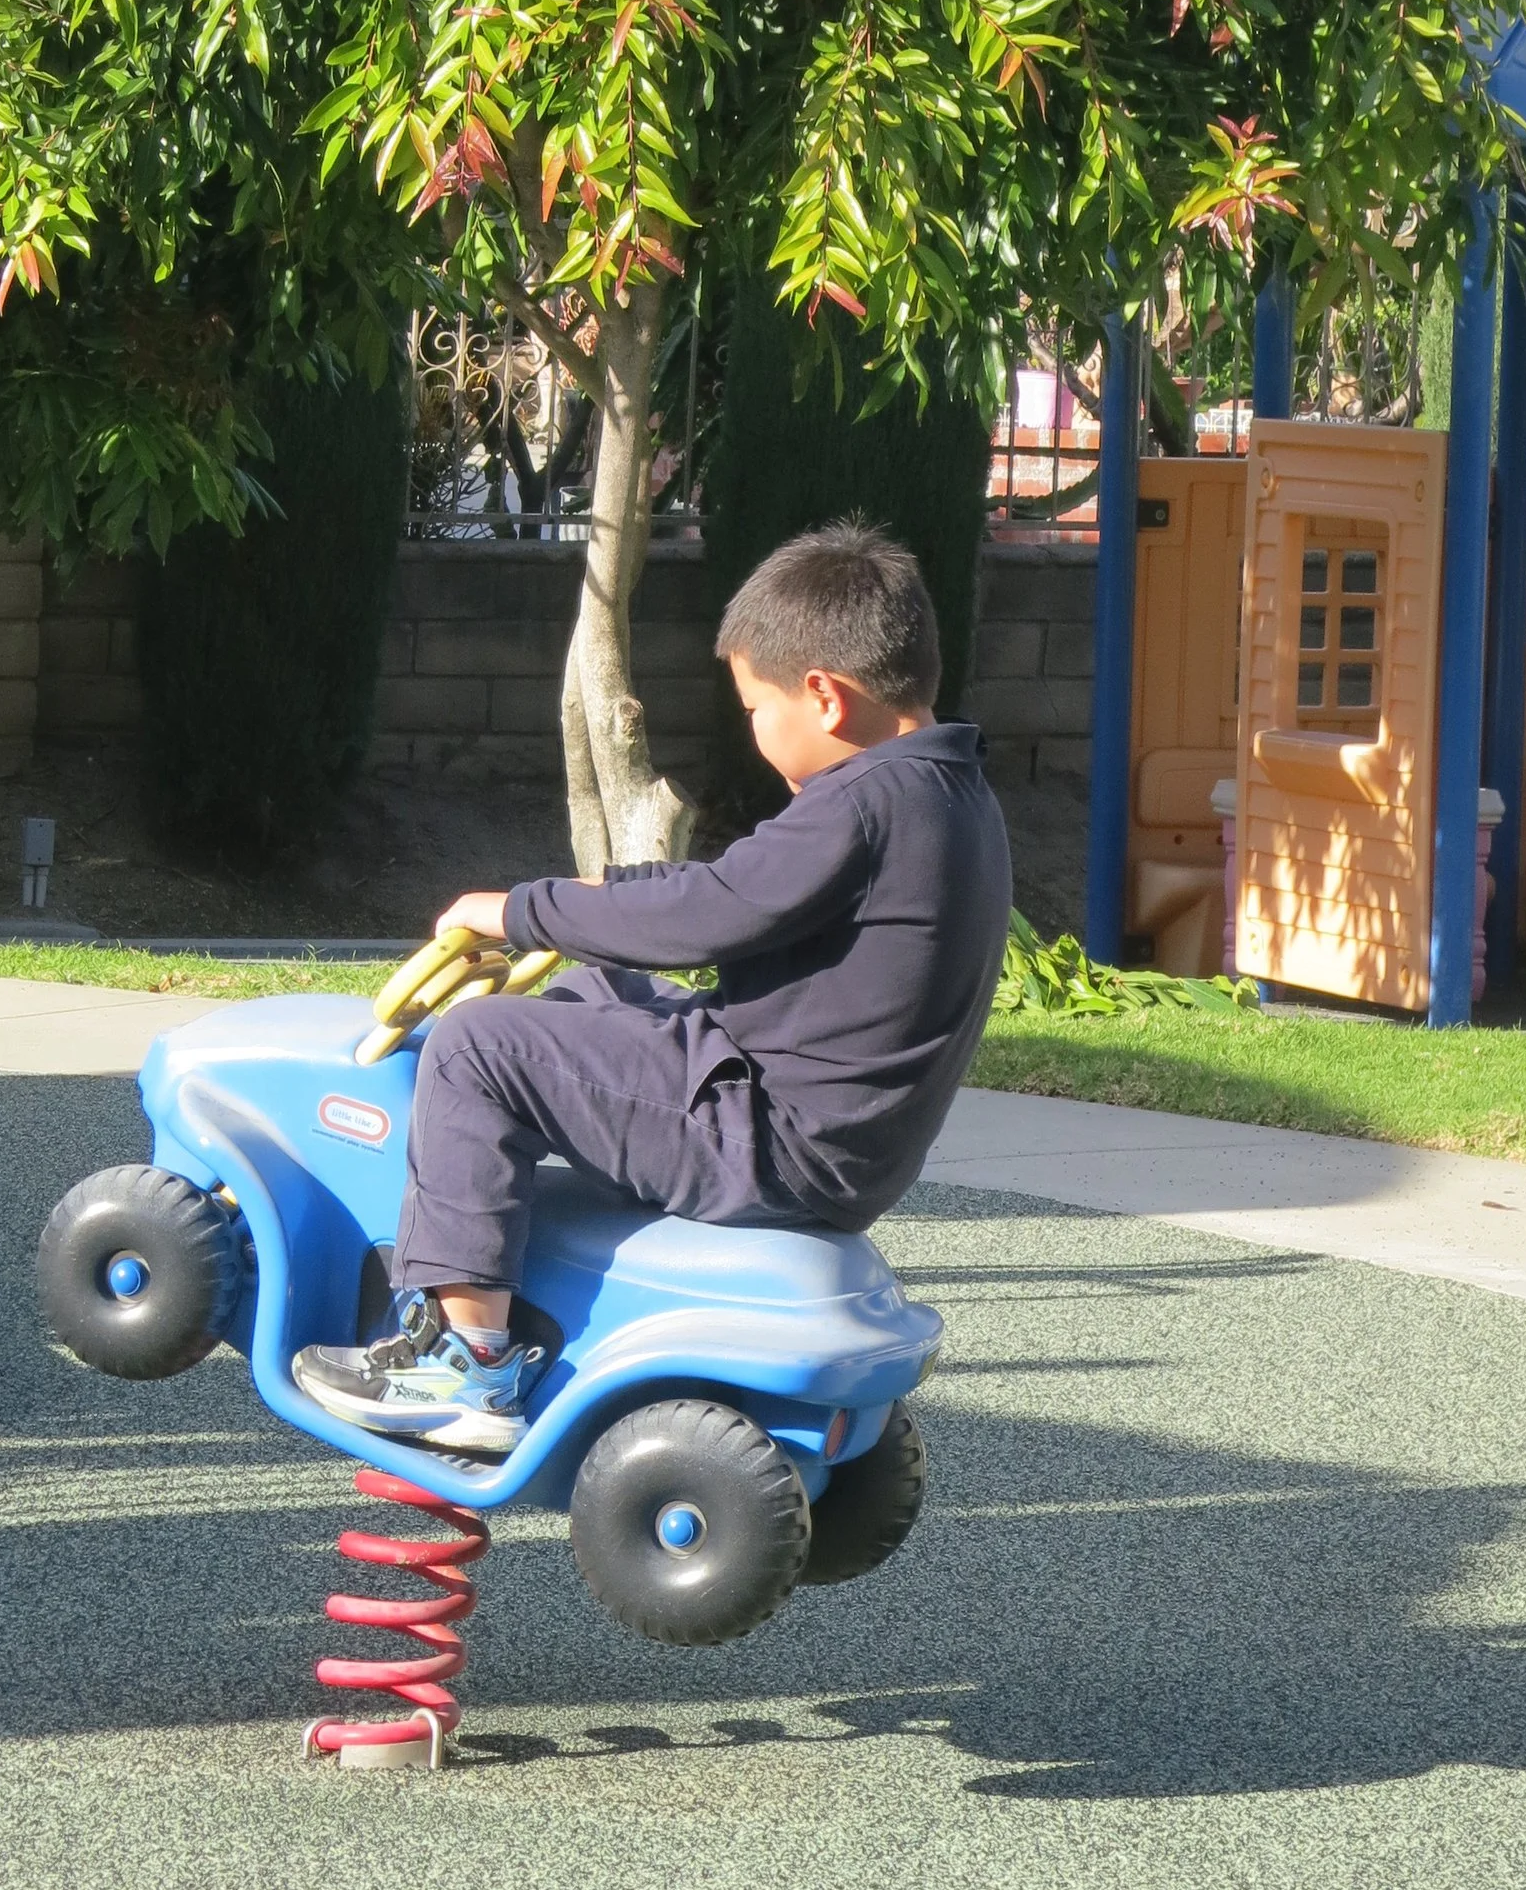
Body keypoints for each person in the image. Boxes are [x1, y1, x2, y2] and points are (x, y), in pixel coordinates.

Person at [294, 520, 1013, 1455]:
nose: (752, 730)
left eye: (756, 708)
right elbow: (732, 895)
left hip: (766, 1143)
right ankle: (479, 1208)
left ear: (826, 698)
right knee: (602, 994)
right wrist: (600, 900)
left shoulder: (862, 804)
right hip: (827, 1133)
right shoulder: (948, 790)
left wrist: (521, 909)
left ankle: (463, 1360)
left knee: (480, 1046)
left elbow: (706, 916)